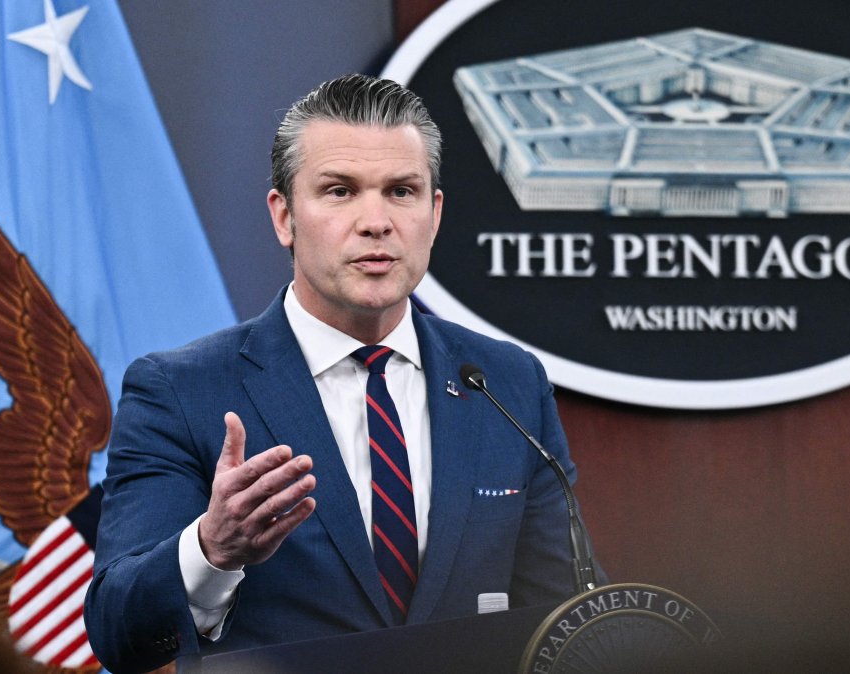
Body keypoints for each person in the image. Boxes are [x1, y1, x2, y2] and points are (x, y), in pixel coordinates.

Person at [84, 74, 594, 673]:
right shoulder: (181, 390)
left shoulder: (507, 383)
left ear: (433, 215)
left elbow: (568, 614)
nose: (376, 221)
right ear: (284, 217)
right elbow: (118, 631)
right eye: (339, 191)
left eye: (401, 192)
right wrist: (211, 551)